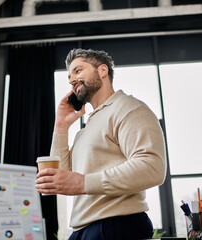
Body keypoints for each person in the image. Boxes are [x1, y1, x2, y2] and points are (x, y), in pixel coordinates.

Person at [36, 49, 167, 240]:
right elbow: (63, 177)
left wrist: (83, 182)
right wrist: (61, 126)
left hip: (115, 226)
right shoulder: (87, 128)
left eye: (78, 71)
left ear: (103, 70)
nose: (72, 79)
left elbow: (151, 167)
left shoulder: (128, 107)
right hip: (83, 230)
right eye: (70, 76)